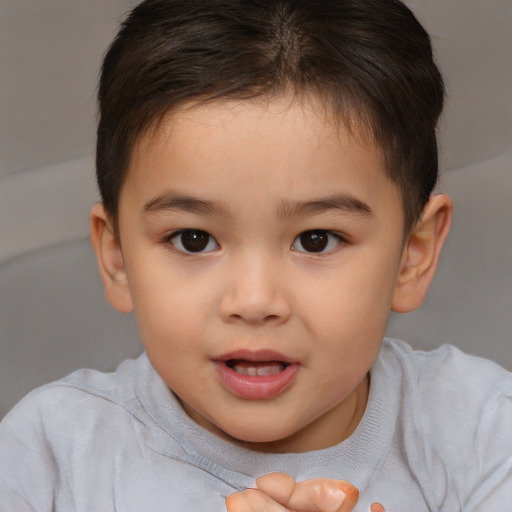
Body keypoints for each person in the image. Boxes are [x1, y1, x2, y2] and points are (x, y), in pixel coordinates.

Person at [0, 0, 511, 510]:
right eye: (193, 239)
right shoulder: (51, 456)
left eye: (316, 239)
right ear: (117, 258)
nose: (253, 300)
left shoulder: (483, 434)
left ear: (411, 256)